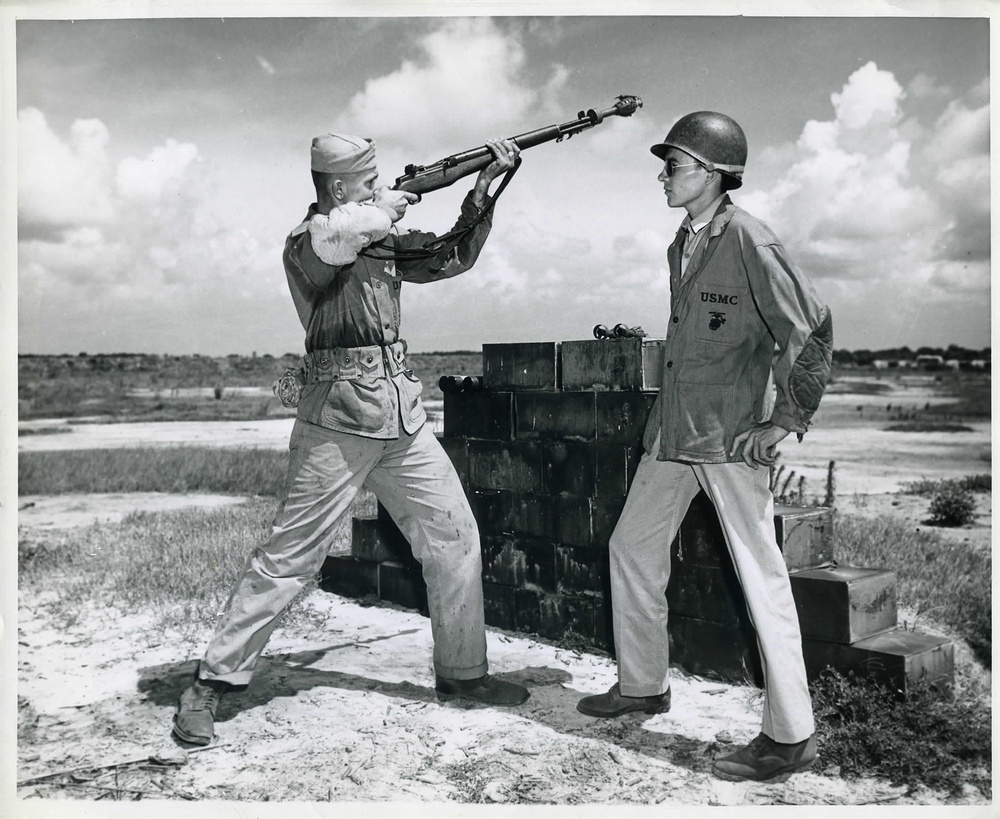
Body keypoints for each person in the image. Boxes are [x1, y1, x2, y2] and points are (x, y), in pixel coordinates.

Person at [173, 132, 529, 746]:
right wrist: (390, 201)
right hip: (336, 419)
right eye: (369, 182)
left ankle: (463, 674)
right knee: (291, 557)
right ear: (339, 188)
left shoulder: (377, 235)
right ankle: (210, 684)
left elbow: (449, 257)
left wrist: (481, 189)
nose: (380, 190)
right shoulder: (308, 242)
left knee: (453, 536)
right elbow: (337, 239)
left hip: (401, 415)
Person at [575, 111, 833, 783]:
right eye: (665, 165)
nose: (664, 176)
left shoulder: (748, 237)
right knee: (631, 546)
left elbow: (809, 325)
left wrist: (783, 420)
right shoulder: (683, 241)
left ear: (714, 174)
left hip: (729, 438)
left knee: (760, 575)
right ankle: (643, 683)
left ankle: (791, 735)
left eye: (676, 165)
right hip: (674, 433)